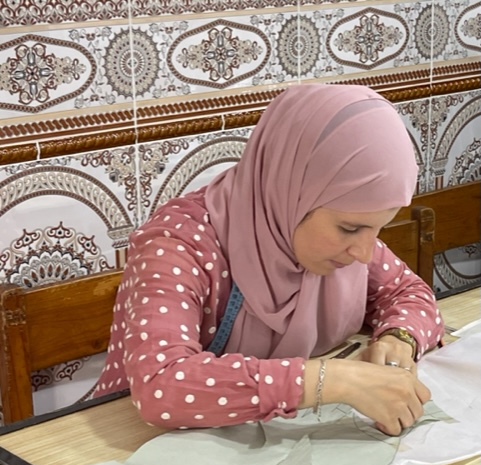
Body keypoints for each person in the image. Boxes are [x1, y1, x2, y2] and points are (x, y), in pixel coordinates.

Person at [95, 83, 442, 436]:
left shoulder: (330, 238)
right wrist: (333, 381)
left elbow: (407, 292)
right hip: (138, 444)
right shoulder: (179, 244)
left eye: (378, 228)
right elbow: (161, 385)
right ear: (293, 193)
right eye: (350, 228)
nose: (364, 253)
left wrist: (399, 339)